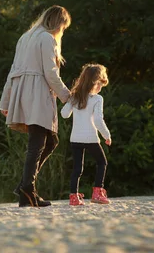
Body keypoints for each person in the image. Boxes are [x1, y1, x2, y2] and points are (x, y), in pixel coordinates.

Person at [0, 5, 72, 208]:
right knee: (38, 142)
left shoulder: (25, 37)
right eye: (63, 27)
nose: (62, 32)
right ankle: (27, 188)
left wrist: (6, 100)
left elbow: (13, 70)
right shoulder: (47, 39)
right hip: (37, 93)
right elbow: (51, 74)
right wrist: (68, 97)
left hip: (22, 92)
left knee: (50, 140)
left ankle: (25, 189)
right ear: (58, 23)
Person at [60, 63, 111, 206]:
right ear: (95, 82)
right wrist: (106, 135)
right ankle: (97, 192)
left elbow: (64, 114)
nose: (101, 88)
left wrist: (70, 100)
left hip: (75, 138)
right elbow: (98, 120)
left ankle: (74, 197)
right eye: (100, 84)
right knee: (102, 162)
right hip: (91, 138)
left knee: (77, 168)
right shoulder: (97, 99)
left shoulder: (75, 96)